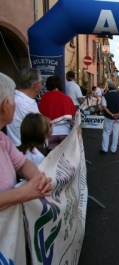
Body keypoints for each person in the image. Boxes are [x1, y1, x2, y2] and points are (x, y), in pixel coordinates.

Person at [0, 72, 52, 212]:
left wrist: (37, 179)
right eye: (12, 99)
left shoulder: (3, 138)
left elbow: (21, 163)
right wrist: (24, 192)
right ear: (6, 105)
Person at [39, 75, 77, 150]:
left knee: (51, 158)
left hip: (50, 133)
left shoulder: (44, 98)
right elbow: (73, 115)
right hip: (65, 132)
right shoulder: (67, 98)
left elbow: (41, 116)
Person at [6, 68, 42, 146]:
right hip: (24, 149)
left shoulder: (24, 100)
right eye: (41, 83)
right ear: (36, 86)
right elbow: (38, 130)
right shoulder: (23, 103)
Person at [99, 81, 119, 154]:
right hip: (118, 117)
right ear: (115, 87)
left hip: (109, 117)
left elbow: (104, 107)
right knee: (116, 133)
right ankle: (113, 149)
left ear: (108, 87)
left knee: (106, 133)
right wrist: (118, 114)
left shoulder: (105, 96)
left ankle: (105, 149)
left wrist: (112, 114)